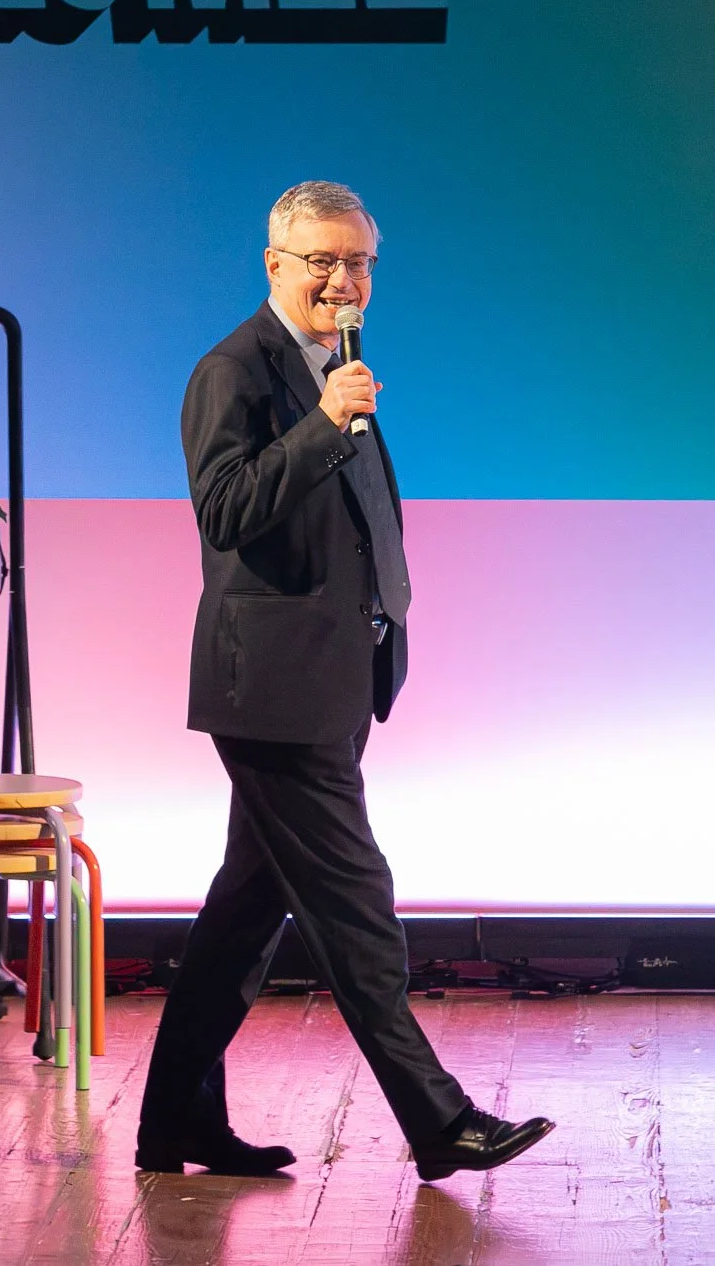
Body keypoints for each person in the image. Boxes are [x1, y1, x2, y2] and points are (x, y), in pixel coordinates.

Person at [135, 180, 554, 1180]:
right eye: (319, 259)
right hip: (271, 691)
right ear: (273, 263)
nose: (341, 278)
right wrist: (322, 422)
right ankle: (438, 1120)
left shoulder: (341, 364)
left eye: (356, 260)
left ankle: (174, 1123)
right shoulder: (233, 371)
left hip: (332, 672)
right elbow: (227, 512)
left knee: (242, 913)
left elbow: (360, 517)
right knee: (356, 902)